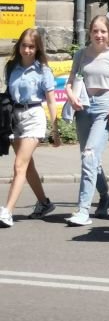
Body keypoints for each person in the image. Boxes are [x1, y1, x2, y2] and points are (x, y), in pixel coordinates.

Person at [64, 15, 109, 226]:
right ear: (90, 33)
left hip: (104, 108)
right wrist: (71, 96)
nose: (99, 35)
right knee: (89, 158)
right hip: (83, 107)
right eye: (95, 31)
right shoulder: (81, 54)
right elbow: (70, 81)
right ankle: (105, 196)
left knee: (90, 155)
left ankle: (83, 210)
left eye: (103, 31)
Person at [0, 28, 60, 228]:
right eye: (24, 45)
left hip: (34, 116)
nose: (27, 50)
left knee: (19, 166)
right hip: (14, 118)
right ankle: (44, 203)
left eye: (31, 46)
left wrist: (55, 128)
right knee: (27, 167)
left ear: (37, 48)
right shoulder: (11, 67)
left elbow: (51, 101)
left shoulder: (43, 70)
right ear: (19, 46)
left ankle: (7, 211)